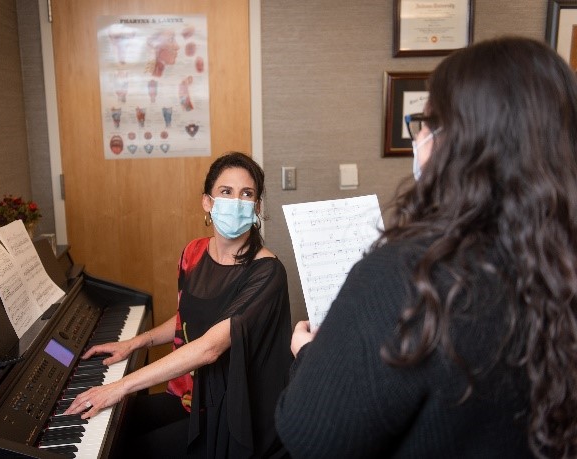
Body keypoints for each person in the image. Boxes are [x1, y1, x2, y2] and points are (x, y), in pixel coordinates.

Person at [275, 36, 577, 458]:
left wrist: (309, 356)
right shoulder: (560, 263)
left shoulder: (404, 277)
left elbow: (311, 435)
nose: (420, 141)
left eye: (427, 124)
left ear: (463, 143)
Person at [65, 152, 292, 458]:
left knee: (128, 449)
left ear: (257, 208)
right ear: (207, 203)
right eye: (226, 192)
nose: (236, 202)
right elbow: (186, 318)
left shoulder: (267, 271)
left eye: (246, 194)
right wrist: (135, 343)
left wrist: (118, 387)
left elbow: (210, 347)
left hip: (230, 410)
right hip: (187, 395)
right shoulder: (194, 252)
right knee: (114, 425)